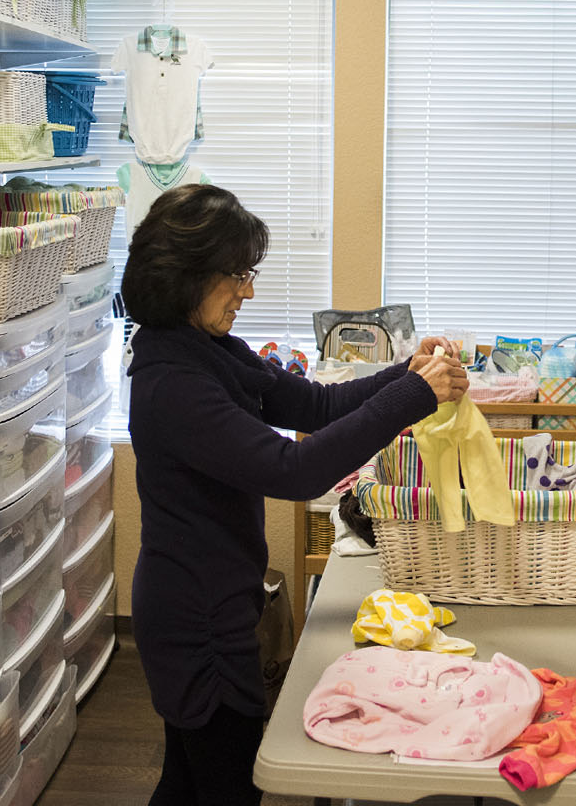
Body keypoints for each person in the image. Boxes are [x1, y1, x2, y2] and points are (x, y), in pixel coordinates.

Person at [123, 183, 468, 806]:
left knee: (187, 780)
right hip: (193, 618)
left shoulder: (207, 350)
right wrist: (414, 398)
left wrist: (406, 374)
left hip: (212, 600)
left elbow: (315, 403)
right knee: (222, 784)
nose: (248, 292)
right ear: (186, 274)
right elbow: (294, 470)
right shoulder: (170, 385)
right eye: (237, 275)